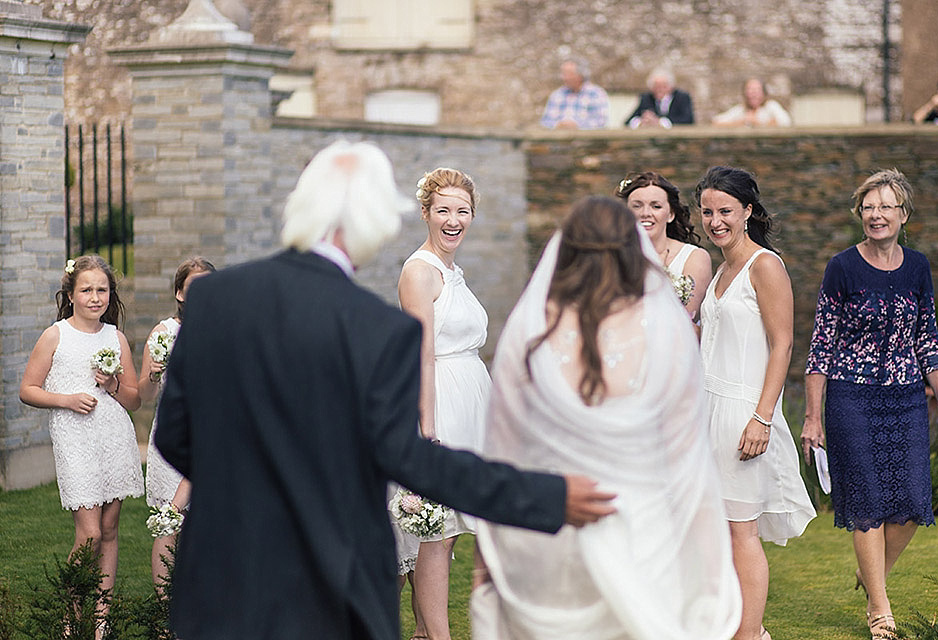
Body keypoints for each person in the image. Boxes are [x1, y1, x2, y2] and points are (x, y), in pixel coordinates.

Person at [153, 140, 617, 640]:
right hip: (336, 583)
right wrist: (547, 495)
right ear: (378, 219)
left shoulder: (216, 299)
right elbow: (416, 460)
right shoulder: (378, 329)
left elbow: (175, 434)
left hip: (223, 578)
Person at [469, 196, 742, 639]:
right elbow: (685, 454)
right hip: (644, 525)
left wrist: (490, 554)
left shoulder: (532, 327)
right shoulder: (664, 327)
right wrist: (705, 565)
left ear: (566, 250)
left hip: (555, 523)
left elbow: (505, 451)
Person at [800, 169, 938, 640]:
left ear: (903, 215)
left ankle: (871, 574)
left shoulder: (919, 267)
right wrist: (812, 416)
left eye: (886, 206)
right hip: (852, 398)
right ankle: (880, 608)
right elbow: (821, 346)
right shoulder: (842, 267)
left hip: (908, 398)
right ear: (859, 214)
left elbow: (928, 338)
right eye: (869, 206)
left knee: (912, 503)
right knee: (868, 501)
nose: (876, 214)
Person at [696, 166, 816, 640]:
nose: (715, 220)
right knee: (717, 529)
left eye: (725, 211)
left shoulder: (764, 265)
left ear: (747, 211)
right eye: (707, 211)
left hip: (744, 412)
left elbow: (783, 344)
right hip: (708, 408)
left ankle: (748, 635)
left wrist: (762, 417)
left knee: (742, 531)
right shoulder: (721, 267)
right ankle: (741, 627)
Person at [19, 254, 143, 636]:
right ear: (71, 294)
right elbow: (28, 390)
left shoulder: (115, 338)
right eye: (86, 289)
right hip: (75, 437)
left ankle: (102, 617)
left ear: (110, 295)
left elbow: (135, 400)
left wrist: (112, 385)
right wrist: (67, 399)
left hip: (114, 437)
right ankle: (70, 611)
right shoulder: (55, 335)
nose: (95, 297)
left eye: (102, 290)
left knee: (109, 527)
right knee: (88, 532)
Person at [397, 167, 489, 640]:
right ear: (426, 214)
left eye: (463, 211)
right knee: (437, 533)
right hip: (441, 408)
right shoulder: (419, 271)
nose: (454, 220)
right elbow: (421, 356)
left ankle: (423, 633)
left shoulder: (453, 271)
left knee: (446, 534)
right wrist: (428, 434)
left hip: (470, 401)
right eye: (444, 211)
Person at [139, 256, 216, 585]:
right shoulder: (164, 333)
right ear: (179, 293)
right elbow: (143, 395)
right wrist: (154, 374)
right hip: (174, 437)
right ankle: (162, 618)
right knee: (170, 521)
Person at [616, 170, 712, 322]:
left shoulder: (694, 258)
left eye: (656, 206)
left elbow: (687, 323)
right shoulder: (613, 257)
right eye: (637, 206)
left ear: (670, 215)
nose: (646, 213)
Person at [539, 57, 610, 130]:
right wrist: (559, 125)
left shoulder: (596, 93)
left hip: (586, 140)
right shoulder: (557, 94)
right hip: (558, 139)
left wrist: (577, 125)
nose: (565, 78)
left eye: (569, 74)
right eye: (563, 74)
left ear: (581, 75)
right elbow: (545, 122)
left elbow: (601, 122)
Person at [624, 68, 695, 129]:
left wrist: (661, 122)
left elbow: (688, 120)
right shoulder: (646, 98)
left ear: (671, 87)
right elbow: (627, 122)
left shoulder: (682, 97)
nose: (659, 89)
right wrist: (641, 121)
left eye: (663, 86)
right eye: (656, 86)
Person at [712, 78, 792, 128]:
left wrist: (760, 124)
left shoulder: (771, 106)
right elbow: (717, 121)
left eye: (757, 90)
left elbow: (786, 122)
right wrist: (741, 122)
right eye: (750, 90)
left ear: (763, 93)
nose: (753, 93)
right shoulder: (741, 109)